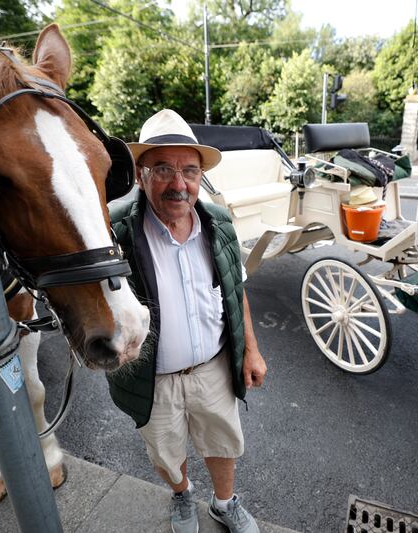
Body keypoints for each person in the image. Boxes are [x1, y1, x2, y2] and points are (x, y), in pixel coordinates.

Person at [107, 109, 267, 533]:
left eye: (189, 171)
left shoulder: (219, 224)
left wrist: (251, 350)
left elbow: (235, 288)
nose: (179, 184)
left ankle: (224, 503)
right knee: (165, 450)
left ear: (200, 176)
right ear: (140, 175)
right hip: (152, 377)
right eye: (163, 169)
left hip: (213, 369)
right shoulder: (115, 229)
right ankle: (182, 495)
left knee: (222, 442)